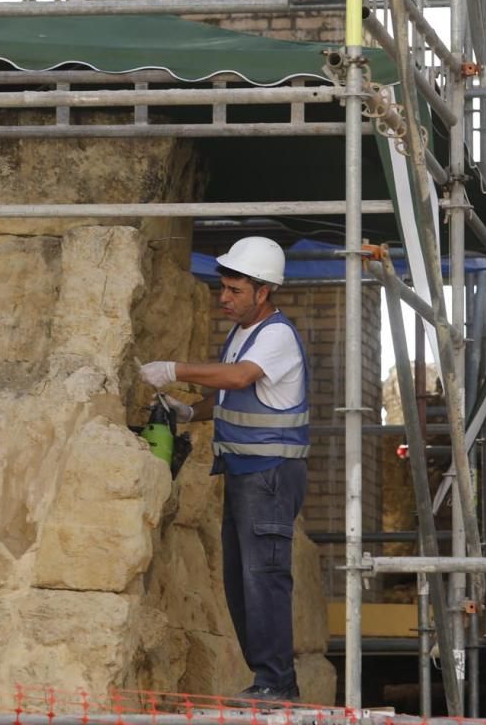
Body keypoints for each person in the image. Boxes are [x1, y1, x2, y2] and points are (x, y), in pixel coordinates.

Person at [141, 236, 308, 704]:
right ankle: (268, 679)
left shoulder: (275, 335)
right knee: (241, 581)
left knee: (264, 577)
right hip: (246, 473)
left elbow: (237, 378)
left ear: (263, 291)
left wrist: (175, 368)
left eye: (235, 290)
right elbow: (232, 394)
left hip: (271, 474)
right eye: (224, 288)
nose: (225, 297)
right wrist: (193, 413)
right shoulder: (243, 335)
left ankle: (277, 683)